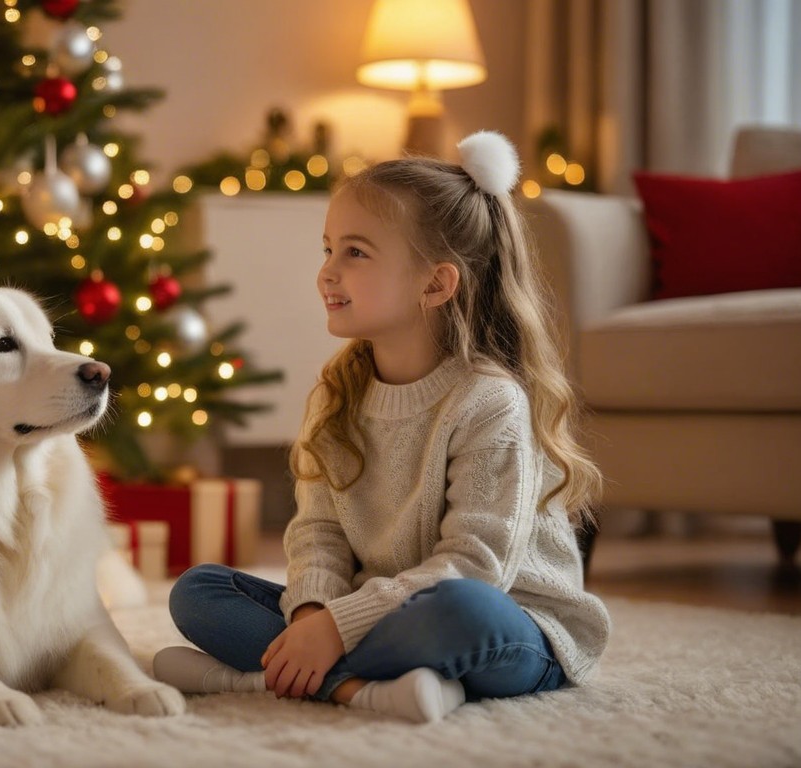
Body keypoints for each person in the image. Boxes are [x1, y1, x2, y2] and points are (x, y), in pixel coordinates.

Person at [152, 131, 612, 724]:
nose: (327, 273)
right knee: (199, 592)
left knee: (461, 611)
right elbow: (318, 531)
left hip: (510, 624)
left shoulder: (489, 401)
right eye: (327, 250)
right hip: (380, 612)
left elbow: (476, 565)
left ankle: (257, 677)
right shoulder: (336, 393)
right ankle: (360, 688)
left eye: (356, 253)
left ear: (435, 284)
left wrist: (340, 629)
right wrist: (314, 615)